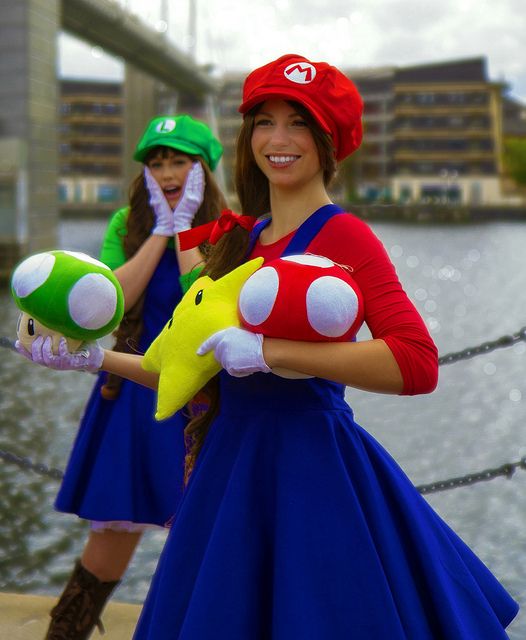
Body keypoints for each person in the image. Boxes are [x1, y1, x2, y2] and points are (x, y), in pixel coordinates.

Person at [18, 55, 519, 638]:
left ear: (328, 141)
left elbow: (415, 361)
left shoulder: (343, 234)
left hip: (311, 467)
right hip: (227, 468)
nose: (278, 140)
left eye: (299, 122)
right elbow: (190, 368)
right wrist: (93, 357)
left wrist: (273, 353)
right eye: (264, 121)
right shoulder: (240, 237)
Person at [37, 114, 226, 639]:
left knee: (210, 533)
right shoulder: (126, 223)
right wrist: (160, 232)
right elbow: (110, 305)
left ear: (204, 169)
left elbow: (204, 301)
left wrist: (188, 229)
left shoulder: (231, 224)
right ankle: (65, 633)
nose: (167, 172)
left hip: (203, 398)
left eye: (180, 161)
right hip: (130, 396)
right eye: (157, 162)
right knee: (113, 533)